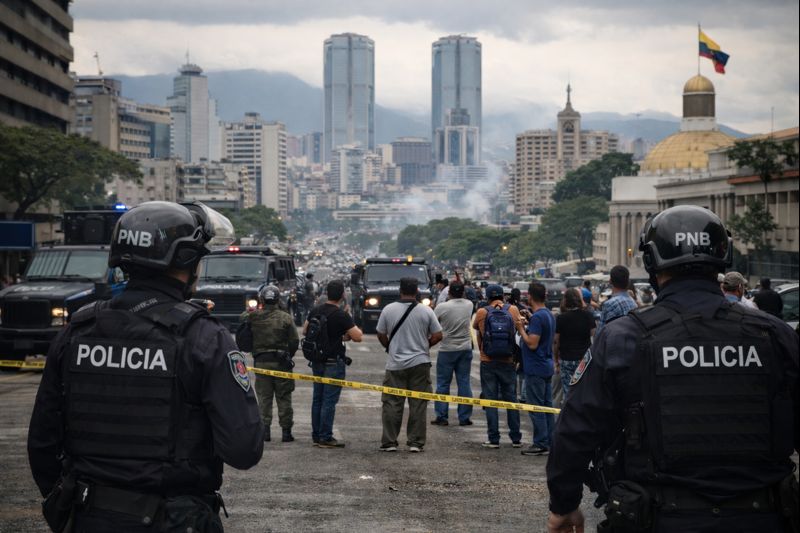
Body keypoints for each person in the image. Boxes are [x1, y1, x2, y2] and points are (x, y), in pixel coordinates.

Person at [546, 205, 799, 533]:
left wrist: (563, 505)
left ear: (651, 262)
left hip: (660, 518)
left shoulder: (623, 337)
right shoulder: (776, 335)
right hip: (764, 517)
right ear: (724, 256)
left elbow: (575, 430)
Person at [28, 201, 264, 532]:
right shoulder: (204, 338)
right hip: (174, 519)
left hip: (87, 516)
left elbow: (42, 443)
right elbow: (243, 449)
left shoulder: (77, 332)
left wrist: (69, 506)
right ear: (185, 259)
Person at [377, 277, 442, 452]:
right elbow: (438, 335)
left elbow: (381, 333)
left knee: (392, 402)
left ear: (400, 290)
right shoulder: (426, 311)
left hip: (395, 364)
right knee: (418, 403)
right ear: (417, 291)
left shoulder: (388, 309)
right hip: (420, 363)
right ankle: (415, 442)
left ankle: (389, 442)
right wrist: (424, 347)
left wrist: (389, 347)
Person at [304, 279, 363, 448]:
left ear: (326, 293)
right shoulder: (341, 315)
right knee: (329, 401)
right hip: (333, 363)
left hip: (317, 361)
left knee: (318, 399)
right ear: (343, 295)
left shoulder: (316, 310)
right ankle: (325, 436)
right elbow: (358, 337)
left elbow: (305, 330)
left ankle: (316, 435)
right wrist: (350, 322)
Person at [243, 284, 299, 443]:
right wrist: (289, 355)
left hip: (261, 363)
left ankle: (265, 432)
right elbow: (294, 341)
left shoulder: (254, 317)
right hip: (282, 362)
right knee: (284, 397)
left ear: (262, 299)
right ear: (277, 299)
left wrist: (253, 309)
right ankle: (286, 433)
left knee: (264, 398)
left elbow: (242, 318)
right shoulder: (286, 317)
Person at [473, 284, 523, 449]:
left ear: (487, 297)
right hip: (508, 361)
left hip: (488, 361)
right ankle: (515, 438)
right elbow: (518, 329)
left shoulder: (482, 312)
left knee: (491, 399)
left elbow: (477, 330)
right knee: (511, 399)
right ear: (503, 296)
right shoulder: (513, 310)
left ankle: (494, 438)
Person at [516, 281, 556, 456]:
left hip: (536, 367)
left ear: (530, 297)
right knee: (547, 406)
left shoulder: (538, 317)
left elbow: (532, 343)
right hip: (546, 365)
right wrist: (530, 318)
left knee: (536, 407)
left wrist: (520, 328)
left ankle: (540, 442)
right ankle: (550, 440)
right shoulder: (547, 314)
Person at [432, 280, 475, 426]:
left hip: (447, 349)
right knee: (464, 382)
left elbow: (433, 323)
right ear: (463, 292)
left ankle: (442, 416)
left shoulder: (442, 307)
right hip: (465, 348)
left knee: (443, 384)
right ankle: (464, 417)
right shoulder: (469, 305)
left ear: (449, 292)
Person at [554, 288, 595, 399]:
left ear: (566, 300)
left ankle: (571, 412)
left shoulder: (561, 318)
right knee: (584, 389)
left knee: (568, 390)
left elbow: (556, 342)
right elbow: (594, 335)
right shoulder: (588, 316)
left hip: (566, 359)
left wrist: (556, 360)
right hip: (584, 359)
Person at [597, 265, 638, 332]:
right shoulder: (633, 302)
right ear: (628, 282)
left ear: (610, 281)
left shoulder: (609, 304)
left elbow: (600, 333)